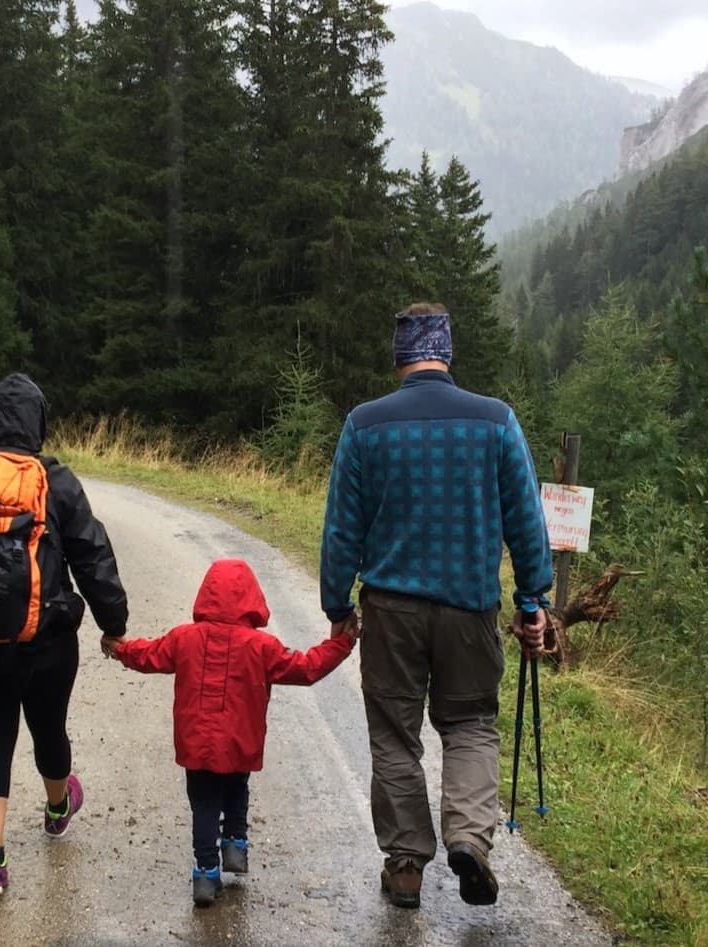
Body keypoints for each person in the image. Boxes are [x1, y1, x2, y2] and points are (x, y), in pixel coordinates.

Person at [319, 304, 552, 910]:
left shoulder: (364, 426)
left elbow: (342, 529)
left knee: (395, 736)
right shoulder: (496, 421)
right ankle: (469, 839)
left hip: (392, 611)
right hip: (470, 607)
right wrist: (534, 600)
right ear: (446, 353)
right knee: (471, 723)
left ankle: (404, 867)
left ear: (399, 357)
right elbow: (527, 522)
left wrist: (336, 603)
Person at [0, 373, 129, 900]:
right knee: (48, 728)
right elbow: (92, 556)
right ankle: (58, 808)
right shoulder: (55, 481)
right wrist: (113, 624)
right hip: (48, 640)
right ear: (39, 423)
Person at [108, 558, 353, 907]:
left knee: (204, 803)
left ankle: (206, 873)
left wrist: (120, 649)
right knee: (237, 786)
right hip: (240, 740)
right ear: (252, 598)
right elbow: (306, 667)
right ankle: (236, 843)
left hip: (196, 743)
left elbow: (149, 655)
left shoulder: (184, 638)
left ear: (205, 595)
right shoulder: (262, 647)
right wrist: (341, 644)